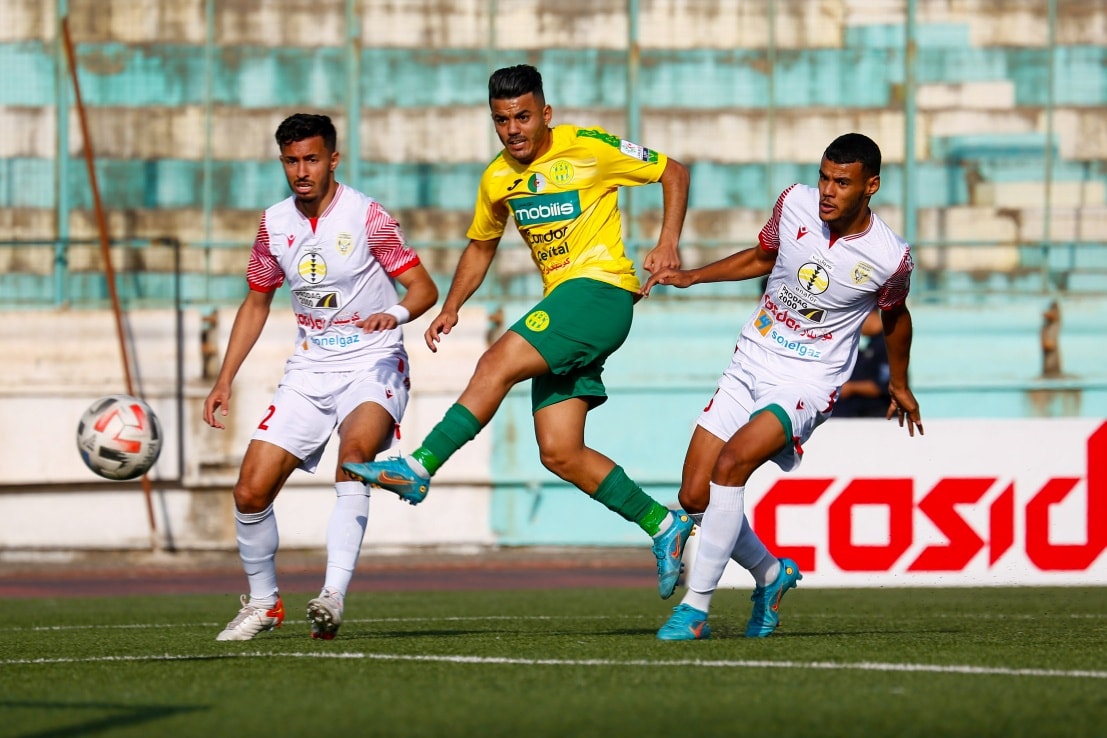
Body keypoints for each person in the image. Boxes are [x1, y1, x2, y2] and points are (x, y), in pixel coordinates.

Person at [343, 64, 696, 598]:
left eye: (523, 116)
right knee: (559, 451)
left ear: (545, 114)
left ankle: (418, 465)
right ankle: (663, 524)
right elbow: (481, 245)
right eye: (502, 120)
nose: (514, 129)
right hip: (567, 304)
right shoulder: (496, 178)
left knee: (495, 364)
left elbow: (675, 172)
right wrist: (452, 305)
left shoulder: (588, 147)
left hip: (598, 292)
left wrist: (669, 242)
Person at [639, 132, 923, 640]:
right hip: (751, 358)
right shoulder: (793, 203)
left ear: (871, 186)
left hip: (807, 381)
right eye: (823, 177)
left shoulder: (890, 256)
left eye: (842, 181)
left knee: (731, 467)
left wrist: (898, 383)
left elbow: (896, 316)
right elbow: (763, 258)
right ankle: (771, 576)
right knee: (693, 493)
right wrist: (692, 277)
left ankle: (695, 610)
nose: (827, 191)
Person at [203, 113, 438, 641]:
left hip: (373, 362)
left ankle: (331, 595)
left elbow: (424, 289)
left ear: (333, 159)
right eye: (291, 160)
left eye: (311, 159)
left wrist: (394, 315)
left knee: (354, 460)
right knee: (248, 491)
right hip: (309, 367)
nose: (301, 171)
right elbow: (256, 303)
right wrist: (224, 380)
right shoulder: (274, 224)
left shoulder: (368, 216)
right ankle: (264, 603)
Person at [833, 309, 891, 418]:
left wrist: (851, 387)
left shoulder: (886, 345)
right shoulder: (872, 345)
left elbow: (886, 385)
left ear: (869, 315)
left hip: (878, 416)